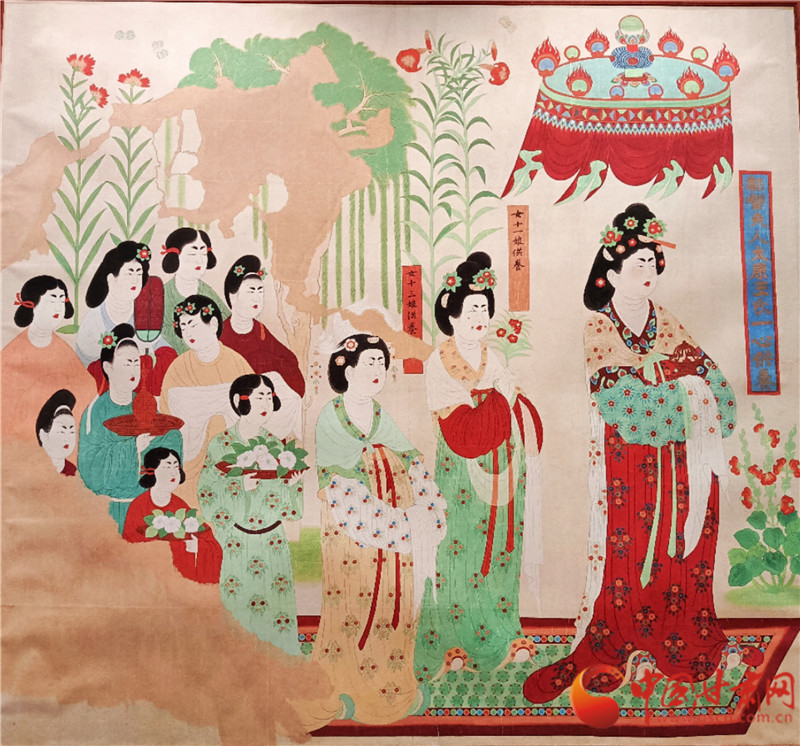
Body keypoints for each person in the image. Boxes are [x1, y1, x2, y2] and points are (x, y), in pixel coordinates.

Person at [523, 203, 745, 704]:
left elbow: (714, 383)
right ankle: (626, 637)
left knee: (683, 543)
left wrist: (677, 385)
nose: (648, 272)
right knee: (633, 543)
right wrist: (680, 387)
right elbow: (620, 401)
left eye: (653, 263)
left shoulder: (666, 320)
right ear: (613, 267)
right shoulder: (600, 327)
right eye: (638, 263)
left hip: (682, 459)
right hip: (629, 459)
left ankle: (681, 633)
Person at [413, 252, 544, 681]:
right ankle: (454, 639)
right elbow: (459, 425)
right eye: (470, 310)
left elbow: (505, 406)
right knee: (459, 547)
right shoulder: (439, 362)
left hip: (502, 465)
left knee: (500, 546)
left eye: (484, 310)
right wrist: (497, 398)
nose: (479, 319)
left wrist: (502, 398)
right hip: (460, 467)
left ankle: (501, 632)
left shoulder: (495, 358)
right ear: (450, 315)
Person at [304, 334, 447, 726]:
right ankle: (343, 685)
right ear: (347, 369)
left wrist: (418, 499)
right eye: (368, 363)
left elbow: (408, 454)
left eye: (381, 365)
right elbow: (335, 475)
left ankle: (392, 683)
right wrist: (374, 489)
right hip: (350, 524)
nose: (377, 372)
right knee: (353, 603)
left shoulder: (379, 413)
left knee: (394, 600)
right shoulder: (331, 415)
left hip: (394, 525)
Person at [198, 375, 304, 654]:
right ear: (239, 401)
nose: (266, 402)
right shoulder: (221, 444)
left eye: (269, 396)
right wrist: (238, 487)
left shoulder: (277, 446)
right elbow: (206, 492)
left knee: (277, 611)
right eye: (259, 396)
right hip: (237, 539)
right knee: (238, 609)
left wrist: (292, 486)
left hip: (272, 539)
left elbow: (289, 508)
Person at [78, 324, 183, 533]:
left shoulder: (144, 403)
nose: (133, 369)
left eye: (136, 362)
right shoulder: (95, 412)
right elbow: (91, 470)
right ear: (108, 367)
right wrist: (132, 447)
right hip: (108, 510)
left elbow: (167, 436)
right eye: (127, 363)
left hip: (148, 506)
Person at [159, 296, 254, 503]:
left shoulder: (236, 363)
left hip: (232, 454)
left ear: (213, 324)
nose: (188, 333)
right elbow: (167, 417)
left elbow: (253, 410)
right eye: (183, 327)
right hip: (188, 456)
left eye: (192, 324)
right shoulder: (177, 369)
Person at [3, 275, 96, 443]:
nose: (58, 307)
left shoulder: (63, 349)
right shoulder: (12, 353)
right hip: (22, 435)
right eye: (52, 300)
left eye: (61, 300)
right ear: (33, 304)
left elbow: (87, 386)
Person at [76, 241, 175, 394]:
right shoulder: (94, 321)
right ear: (111, 279)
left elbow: (167, 355)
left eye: (139, 273)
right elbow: (89, 371)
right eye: (130, 272)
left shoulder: (145, 314)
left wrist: (147, 361)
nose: (135, 279)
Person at [123, 447, 222, 584]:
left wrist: (198, 546)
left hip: (180, 578)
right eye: (167, 467)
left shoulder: (179, 505)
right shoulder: (139, 506)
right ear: (152, 472)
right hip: (149, 577)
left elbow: (207, 537)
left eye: (176, 467)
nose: (173, 473)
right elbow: (130, 547)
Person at [219, 254, 306, 397]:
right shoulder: (220, 335)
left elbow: (289, 361)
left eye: (260, 291)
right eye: (251, 291)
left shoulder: (261, 331)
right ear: (233, 296)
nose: (257, 298)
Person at [158, 228, 229, 355]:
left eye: (203, 254)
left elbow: (226, 322)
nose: (199, 260)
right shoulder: (163, 294)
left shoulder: (207, 291)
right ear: (176, 257)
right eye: (192, 254)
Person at [36, 389, 78, 476]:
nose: (67, 439)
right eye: (61, 432)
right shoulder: (33, 468)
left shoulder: (74, 472)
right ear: (43, 435)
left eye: (72, 432)